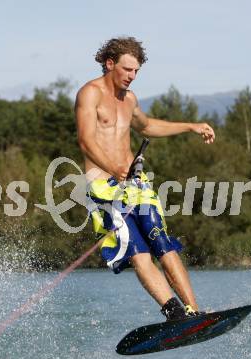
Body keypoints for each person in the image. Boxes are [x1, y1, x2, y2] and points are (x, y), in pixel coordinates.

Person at [75, 37, 215, 321]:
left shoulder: (130, 100)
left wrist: (191, 126)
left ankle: (193, 311)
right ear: (109, 63)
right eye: (127, 69)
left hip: (135, 186)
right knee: (137, 252)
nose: (132, 76)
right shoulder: (89, 93)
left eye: (136, 71)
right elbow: (86, 142)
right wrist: (114, 168)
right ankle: (173, 313)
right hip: (104, 188)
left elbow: (148, 126)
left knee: (160, 241)